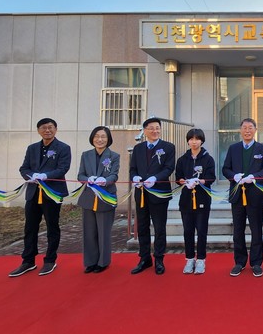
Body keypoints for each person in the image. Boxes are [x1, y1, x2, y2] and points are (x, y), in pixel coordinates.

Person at [9, 118, 71, 277]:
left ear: (55, 129)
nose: (47, 130)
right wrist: (30, 176)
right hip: (33, 193)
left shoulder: (63, 148)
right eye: (44, 128)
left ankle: (50, 260)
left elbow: (63, 168)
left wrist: (45, 176)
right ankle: (28, 261)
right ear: (38, 130)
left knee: (52, 226)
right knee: (30, 227)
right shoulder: (32, 148)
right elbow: (24, 168)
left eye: (50, 127)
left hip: (52, 193)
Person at [222, 118, 263, 277]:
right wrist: (233, 176)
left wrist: (254, 177)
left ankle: (256, 263)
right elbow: (225, 169)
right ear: (240, 130)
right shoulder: (233, 148)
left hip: (255, 195)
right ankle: (239, 262)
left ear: (255, 130)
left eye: (250, 128)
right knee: (238, 229)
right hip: (237, 194)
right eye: (244, 127)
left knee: (256, 229)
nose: (247, 130)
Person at [130, 117, 176, 275]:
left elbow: (169, 168)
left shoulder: (168, 147)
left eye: (157, 128)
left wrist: (155, 178)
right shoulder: (138, 148)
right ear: (145, 130)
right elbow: (133, 168)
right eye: (151, 128)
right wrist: (135, 177)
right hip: (141, 193)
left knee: (159, 227)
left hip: (159, 193)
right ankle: (144, 258)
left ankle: (159, 259)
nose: (155, 131)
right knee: (142, 226)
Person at [76, 126, 120, 274]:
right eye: (96, 136)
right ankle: (90, 262)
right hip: (89, 197)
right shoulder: (86, 155)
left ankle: (103, 262)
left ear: (108, 139)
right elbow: (80, 175)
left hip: (106, 197)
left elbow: (114, 175)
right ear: (92, 138)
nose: (99, 139)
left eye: (103, 136)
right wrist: (87, 179)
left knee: (103, 232)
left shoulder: (114, 156)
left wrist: (105, 180)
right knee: (89, 232)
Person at [175, 128, 216, 275]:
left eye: (197, 139)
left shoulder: (208, 159)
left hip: (202, 198)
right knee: (188, 231)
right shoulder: (182, 159)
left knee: (202, 230)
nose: (194, 142)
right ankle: (190, 259)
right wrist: (184, 181)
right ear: (188, 141)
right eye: (191, 139)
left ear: (201, 141)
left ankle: (201, 260)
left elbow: (211, 177)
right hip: (186, 200)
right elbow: (178, 178)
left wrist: (200, 181)